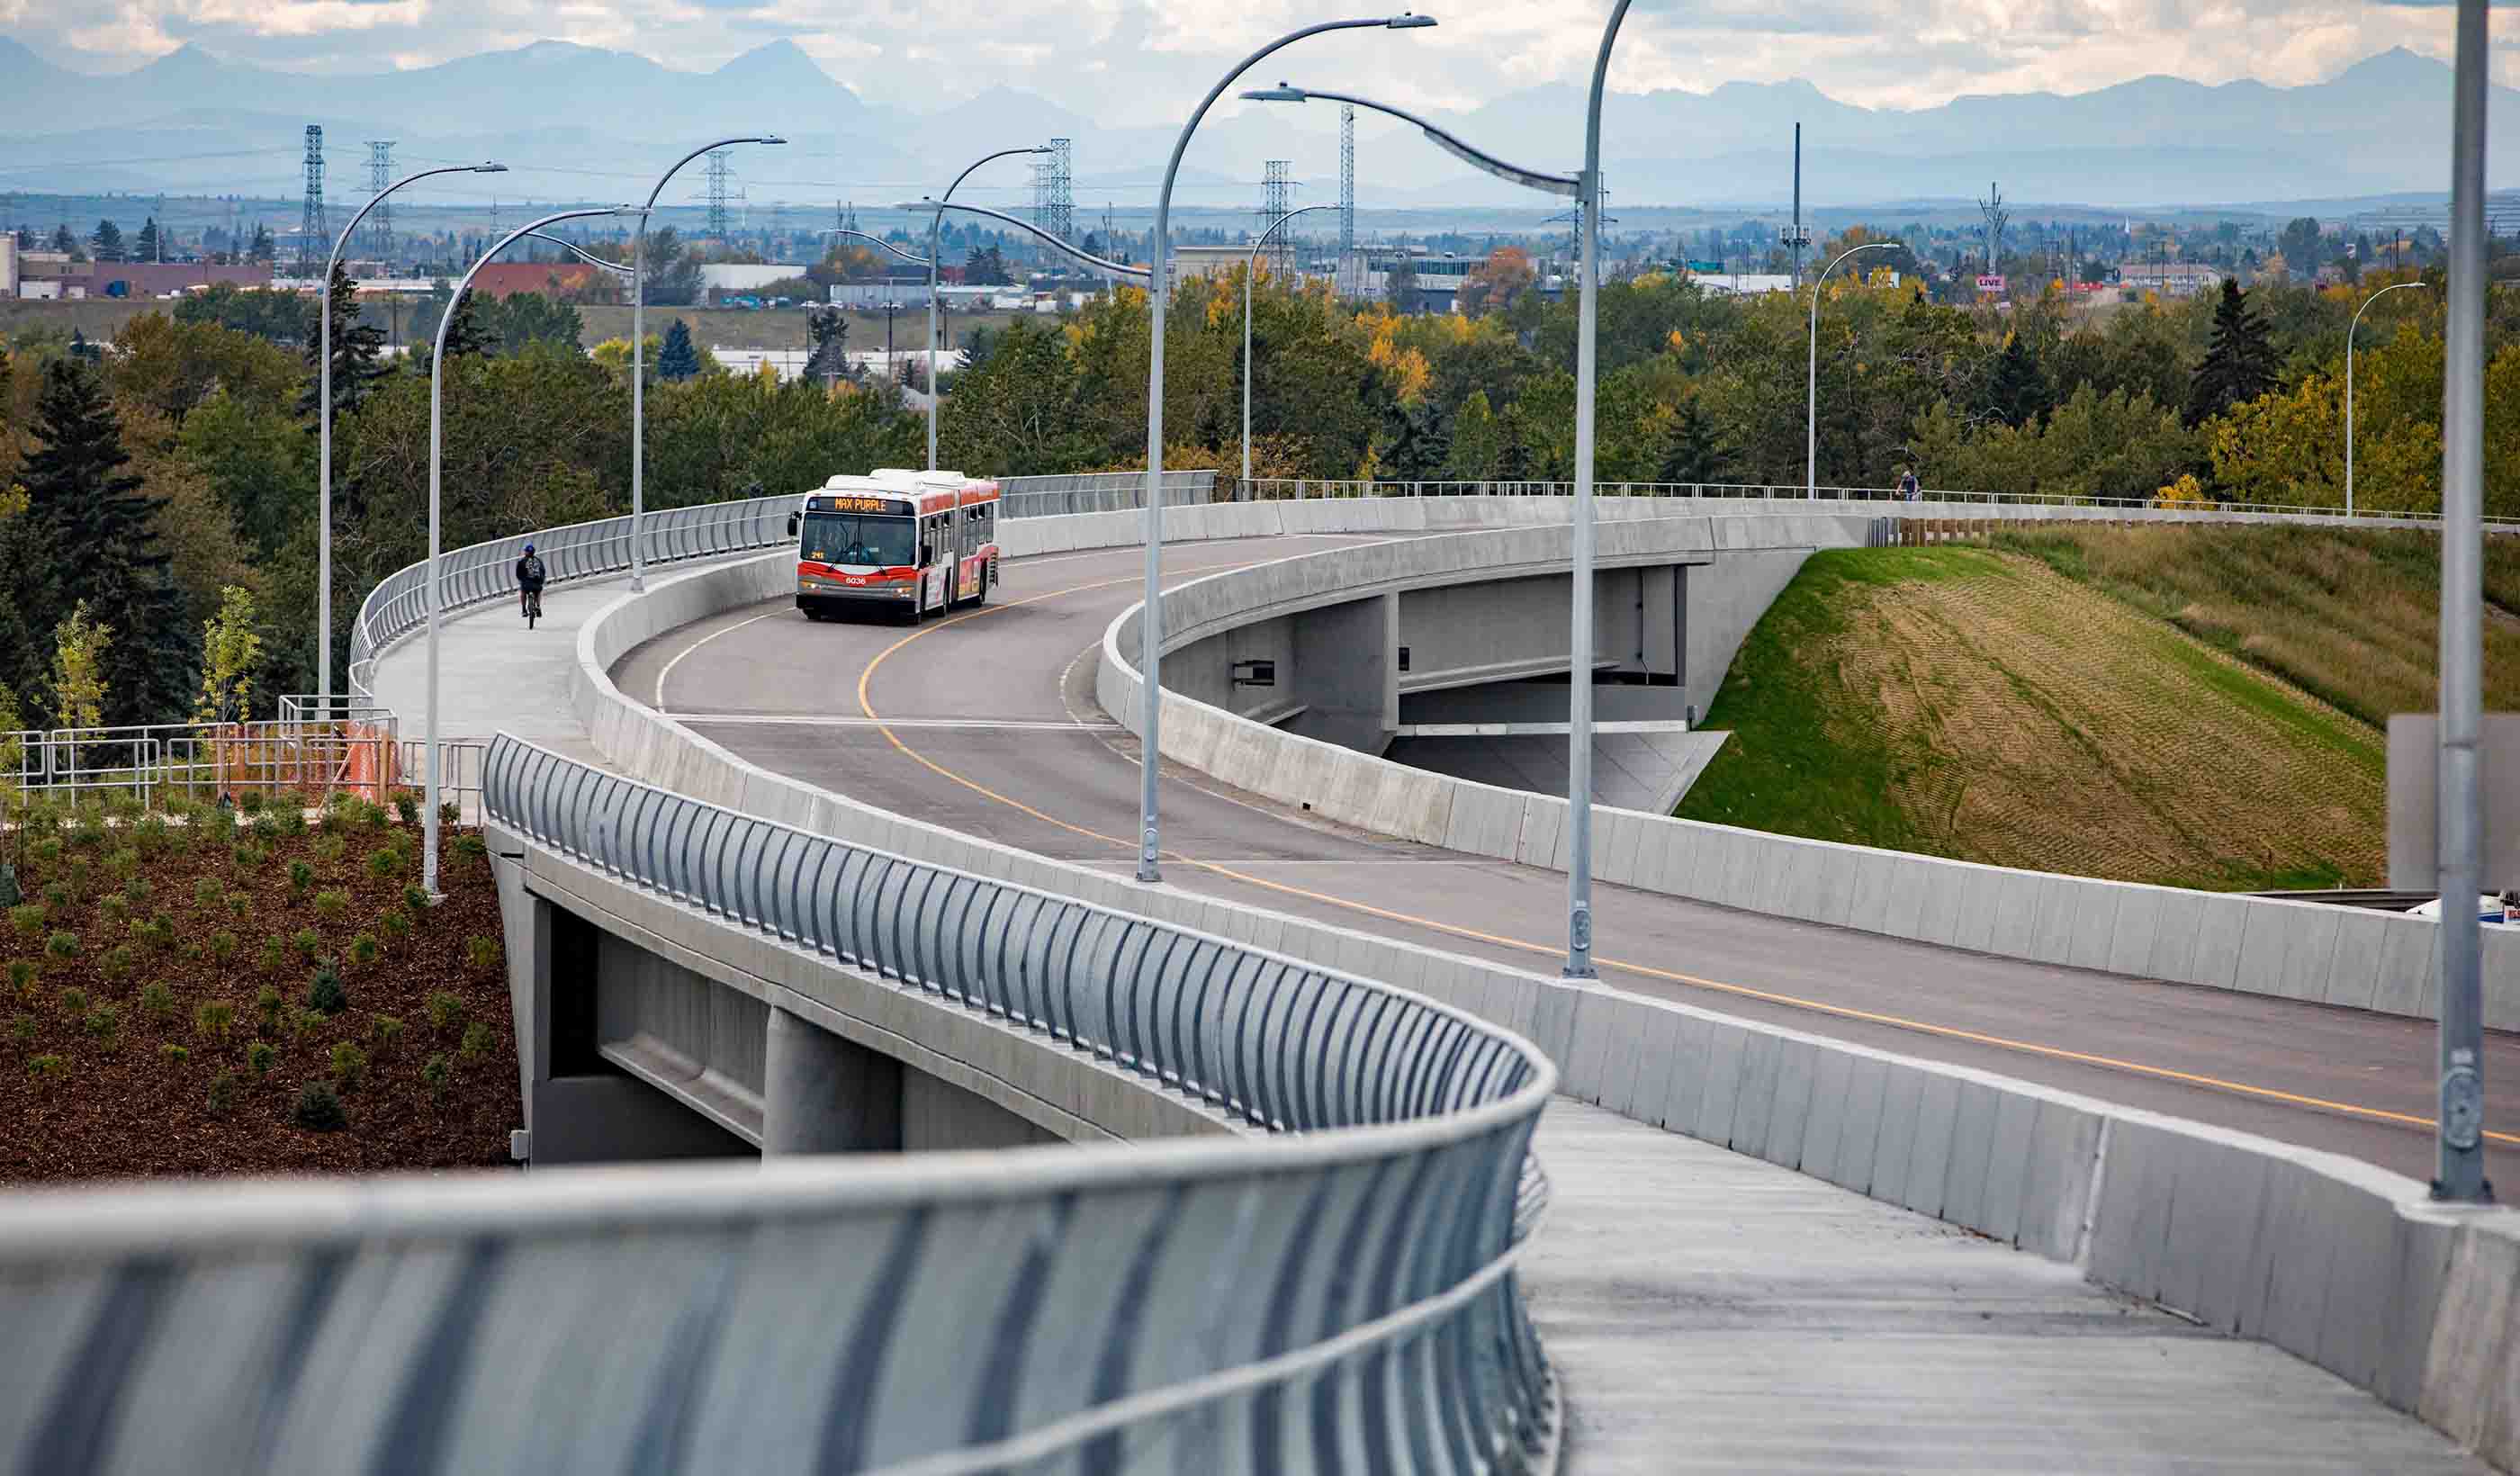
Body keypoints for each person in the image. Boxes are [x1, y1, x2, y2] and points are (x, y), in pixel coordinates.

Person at [515, 542, 547, 619]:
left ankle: (523, 610)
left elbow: (518, 573)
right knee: (538, 592)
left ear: (526, 552)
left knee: (523, 592)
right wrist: (541, 580)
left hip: (526, 584)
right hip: (537, 583)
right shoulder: (539, 561)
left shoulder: (522, 561)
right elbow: (543, 571)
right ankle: (538, 606)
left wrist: (521, 579)